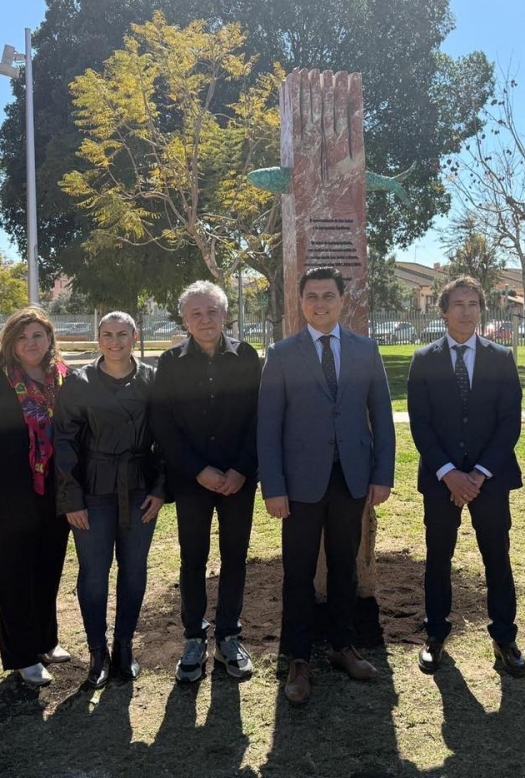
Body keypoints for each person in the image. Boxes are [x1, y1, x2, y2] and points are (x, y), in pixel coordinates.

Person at [258, 266, 395, 705]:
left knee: (344, 566)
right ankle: (299, 659)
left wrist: (382, 474)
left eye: (329, 295)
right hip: (298, 485)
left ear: (342, 301)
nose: (320, 303)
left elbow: (383, 418)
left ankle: (342, 646)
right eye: (312, 296)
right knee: (298, 573)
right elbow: (268, 427)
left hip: (351, 478)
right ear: (301, 303)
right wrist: (273, 487)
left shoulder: (366, 350)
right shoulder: (281, 354)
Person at [407, 276, 525, 676]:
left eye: (473, 303)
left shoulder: (501, 357)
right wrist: (449, 474)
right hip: (441, 481)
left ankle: (505, 636)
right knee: (439, 558)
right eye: (458, 304)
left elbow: (509, 422)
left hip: (489, 480)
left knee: (498, 557)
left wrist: (477, 474)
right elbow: (421, 424)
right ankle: (436, 634)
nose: (467, 311)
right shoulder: (424, 359)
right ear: (443, 311)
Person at [152, 281, 261, 683]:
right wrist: (198, 469)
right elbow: (163, 424)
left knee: (235, 557)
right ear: (184, 319)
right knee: (192, 558)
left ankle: (229, 635)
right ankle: (195, 637)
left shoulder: (248, 357)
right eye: (196, 313)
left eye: (212, 311)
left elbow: (259, 418)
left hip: (238, 480)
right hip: (192, 481)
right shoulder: (171, 362)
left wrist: (242, 469)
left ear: (224, 314)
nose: (205, 319)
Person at [0, 307, 72, 687]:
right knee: (14, 574)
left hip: (55, 492)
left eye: (37, 336)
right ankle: (22, 654)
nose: (31, 344)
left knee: (49, 566)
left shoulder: (63, 378)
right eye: (23, 337)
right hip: (10, 495)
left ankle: (46, 639)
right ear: (11, 343)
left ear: (49, 338)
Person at [54, 311, 165, 688]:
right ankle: (97, 651)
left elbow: (166, 439)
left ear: (136, 335)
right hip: (92, 491)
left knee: (134, 570)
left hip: (139, 490)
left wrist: (160, 489)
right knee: (94, 574)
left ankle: (124, 645)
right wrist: (72, 498)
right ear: (97, 338)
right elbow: (64, 442)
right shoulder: (79, 381)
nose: (114, 341)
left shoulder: (153, 379)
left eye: (122, 334)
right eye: (106, 334)